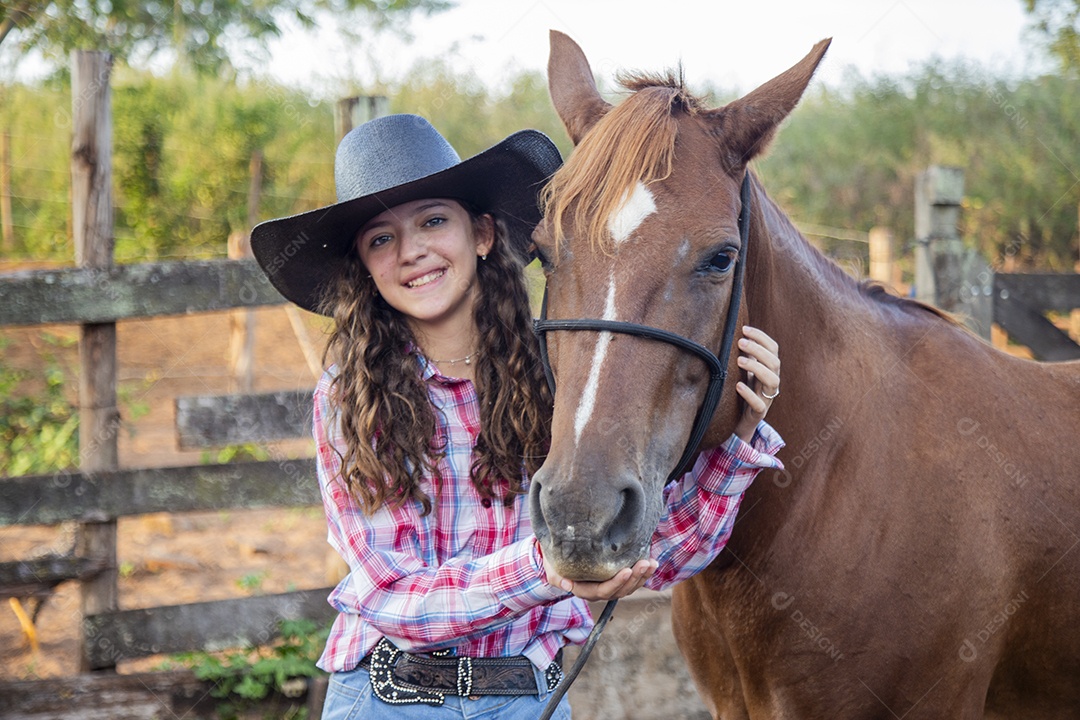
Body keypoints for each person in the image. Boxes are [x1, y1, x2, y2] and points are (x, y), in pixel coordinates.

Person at [250, 114, 784, 720]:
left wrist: (740, 433)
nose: (412, 251)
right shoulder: (351, 397)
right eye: (380, 239)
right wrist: (547, 565)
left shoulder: (556, 380)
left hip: (530, 700)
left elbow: (657, 555)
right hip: (392, 697)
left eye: (432, 221)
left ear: (480, 234)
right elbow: (390, 594)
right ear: (365, 268)